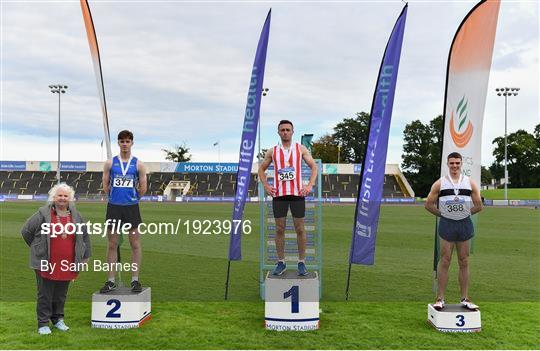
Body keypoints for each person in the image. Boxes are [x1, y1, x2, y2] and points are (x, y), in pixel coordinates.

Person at [21, 183, 92, 335]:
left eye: (66, 196)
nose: (62, 198)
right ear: (53, 197)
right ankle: (43, 324)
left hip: (67, 263)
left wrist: (85, 257)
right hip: (46, 262)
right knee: (45, 294)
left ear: (70, 199)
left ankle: (58, 319)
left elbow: (85, 238)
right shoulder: (42, 214)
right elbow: (26, 231)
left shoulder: (77, 216)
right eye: (59, 195)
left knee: (61, 294)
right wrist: (38, 249)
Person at [258, 120, 317, 276]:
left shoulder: (300, 149)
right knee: (279, 229)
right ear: (278, 132)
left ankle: (302, 262)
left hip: (297, 194)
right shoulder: (272, 151)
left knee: (300, 228)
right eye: (282, 130)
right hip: (279, 195)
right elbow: (261, 169)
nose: (285, 132)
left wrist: (309, 185)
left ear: (292, 132)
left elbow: (314, 166)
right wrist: (266, 186)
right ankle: (281, 262)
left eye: (288, 130)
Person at [425, 152, 483, 311]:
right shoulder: (440, 184)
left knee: (464, 261)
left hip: (464, 225)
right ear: (447, 164)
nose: (455, 166)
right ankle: (440, 299)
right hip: (447, 225)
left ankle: (464, 298)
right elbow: (428, 204)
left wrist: (464, 213)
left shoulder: (470, 183)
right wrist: (444, 214)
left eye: (457, 163)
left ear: (461, 163)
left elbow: (479, 206)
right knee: (445, 261)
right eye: (452, 163)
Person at [100, 130, 147, 293]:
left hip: (132, 208)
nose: (125, 144)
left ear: (132, 143)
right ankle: (111, 280)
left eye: (127, 141)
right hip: (114, 208)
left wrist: (133, 200)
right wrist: (114, 199)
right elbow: (106, 185)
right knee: (112, 244)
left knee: (135, 244)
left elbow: (143, 187)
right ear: (118, 143)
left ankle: (135, 280)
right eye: (122, 141)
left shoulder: (139, 164)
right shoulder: (110, 163)